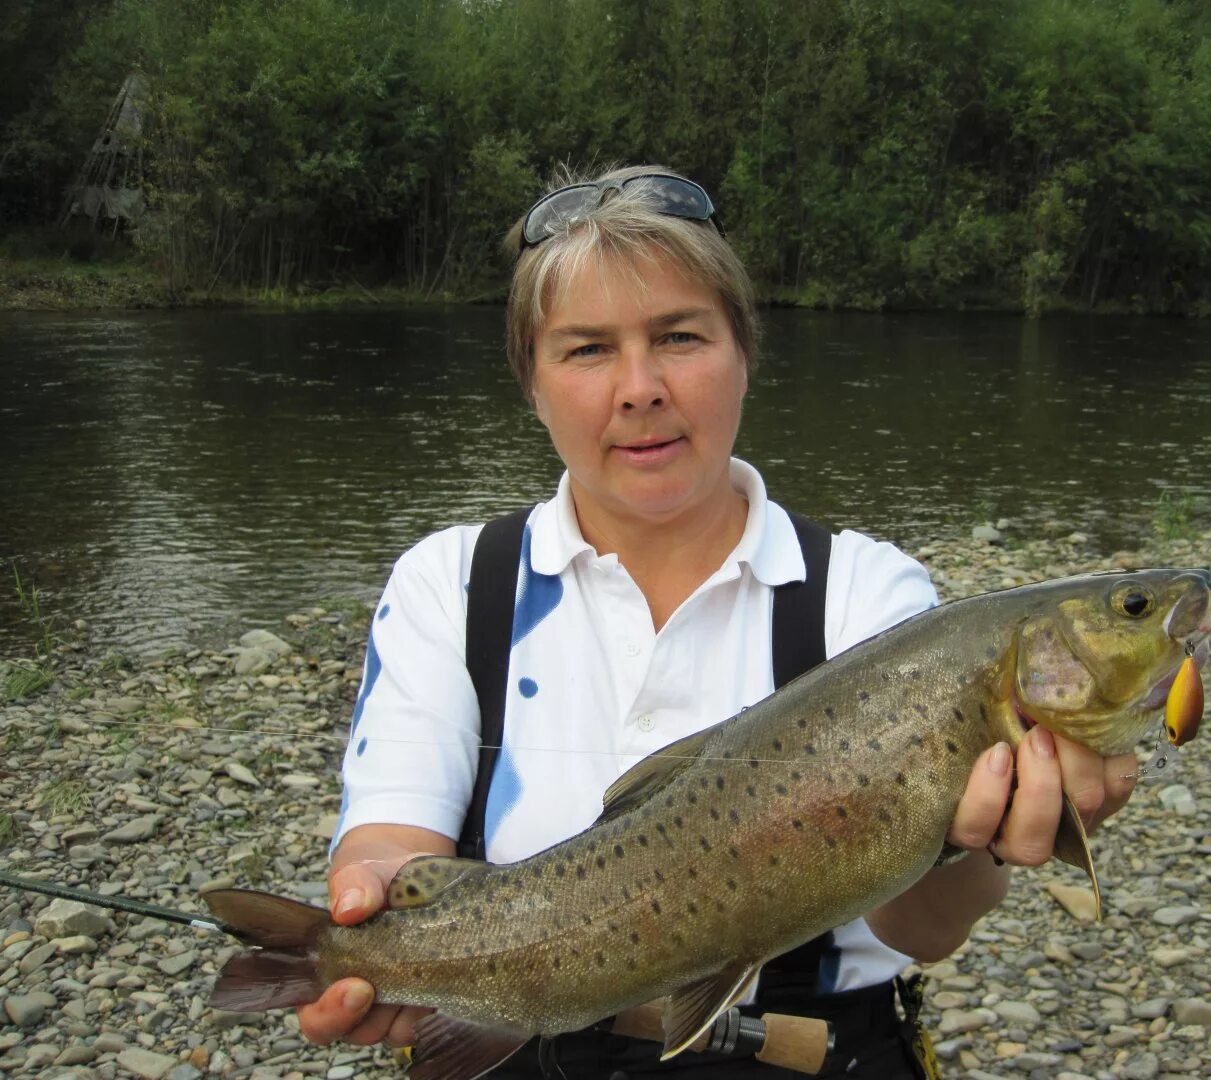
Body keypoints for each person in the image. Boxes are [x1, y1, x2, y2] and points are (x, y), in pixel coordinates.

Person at [295, 165, 1138, 1076]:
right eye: (586, 350)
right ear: (530, 385)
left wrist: (987, 843)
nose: (640, 387)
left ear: (745, 353)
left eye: (680, 337)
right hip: (511, 1041)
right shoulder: (450, 584)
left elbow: (925, 931)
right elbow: (392, 838)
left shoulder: (866, 593)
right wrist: (363, 910)